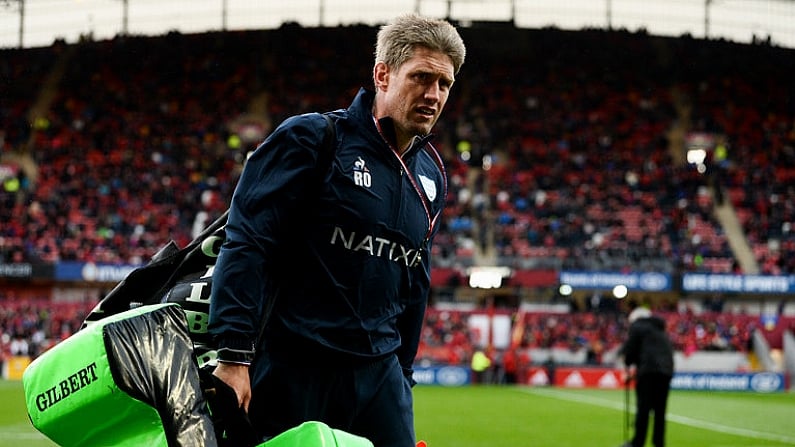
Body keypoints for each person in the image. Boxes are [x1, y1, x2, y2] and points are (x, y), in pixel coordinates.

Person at [207, 13, 466, 447]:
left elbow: (413, 281)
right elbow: (249, 244)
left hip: (379, 376)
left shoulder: (433, 174)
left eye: (444, 84)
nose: (433, 94)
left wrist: (402, 375)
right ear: (383, 74)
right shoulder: (314, 139)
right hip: (295, 364)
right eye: (421, 77)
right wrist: (234, 354)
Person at [618, 307, 675, 447]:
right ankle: (659, 443)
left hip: (648, 372)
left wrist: (627, 365)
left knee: (643, 409)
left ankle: (638, 442)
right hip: (666, 372)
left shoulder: (638, 326)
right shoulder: (659, 329)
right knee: (660, 411)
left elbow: (631, 349)